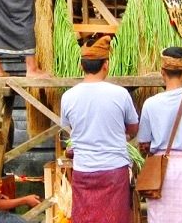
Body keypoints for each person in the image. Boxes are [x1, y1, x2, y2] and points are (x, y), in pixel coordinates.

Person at [60, 35, 139, 222]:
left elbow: (69, 126)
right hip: (114, 171)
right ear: (106, 65)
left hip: (83, 170)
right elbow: (133, 128)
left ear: (81, 66)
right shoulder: (120, 94)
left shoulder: (68, 97)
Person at [137, 47, 182, 223]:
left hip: (160, 170)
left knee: (159, 218)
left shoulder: (150, 104)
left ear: (162, 72)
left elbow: (144, 143)